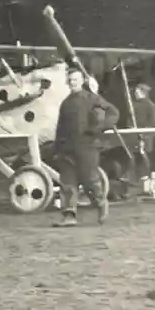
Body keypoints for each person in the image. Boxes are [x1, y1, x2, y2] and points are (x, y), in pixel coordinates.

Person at [53, 67, 120, 227]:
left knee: (89, 180)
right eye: (70, 80)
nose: (72, 83)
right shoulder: (66, 103)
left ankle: (101, 204)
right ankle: (69, 215)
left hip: (88, 146)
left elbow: (113, 112)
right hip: (67, 148)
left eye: (75, 79)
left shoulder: (92, 98)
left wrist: (99, 128)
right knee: (68, 182)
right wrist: (57, 148)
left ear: (82, 81)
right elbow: (60, 127)